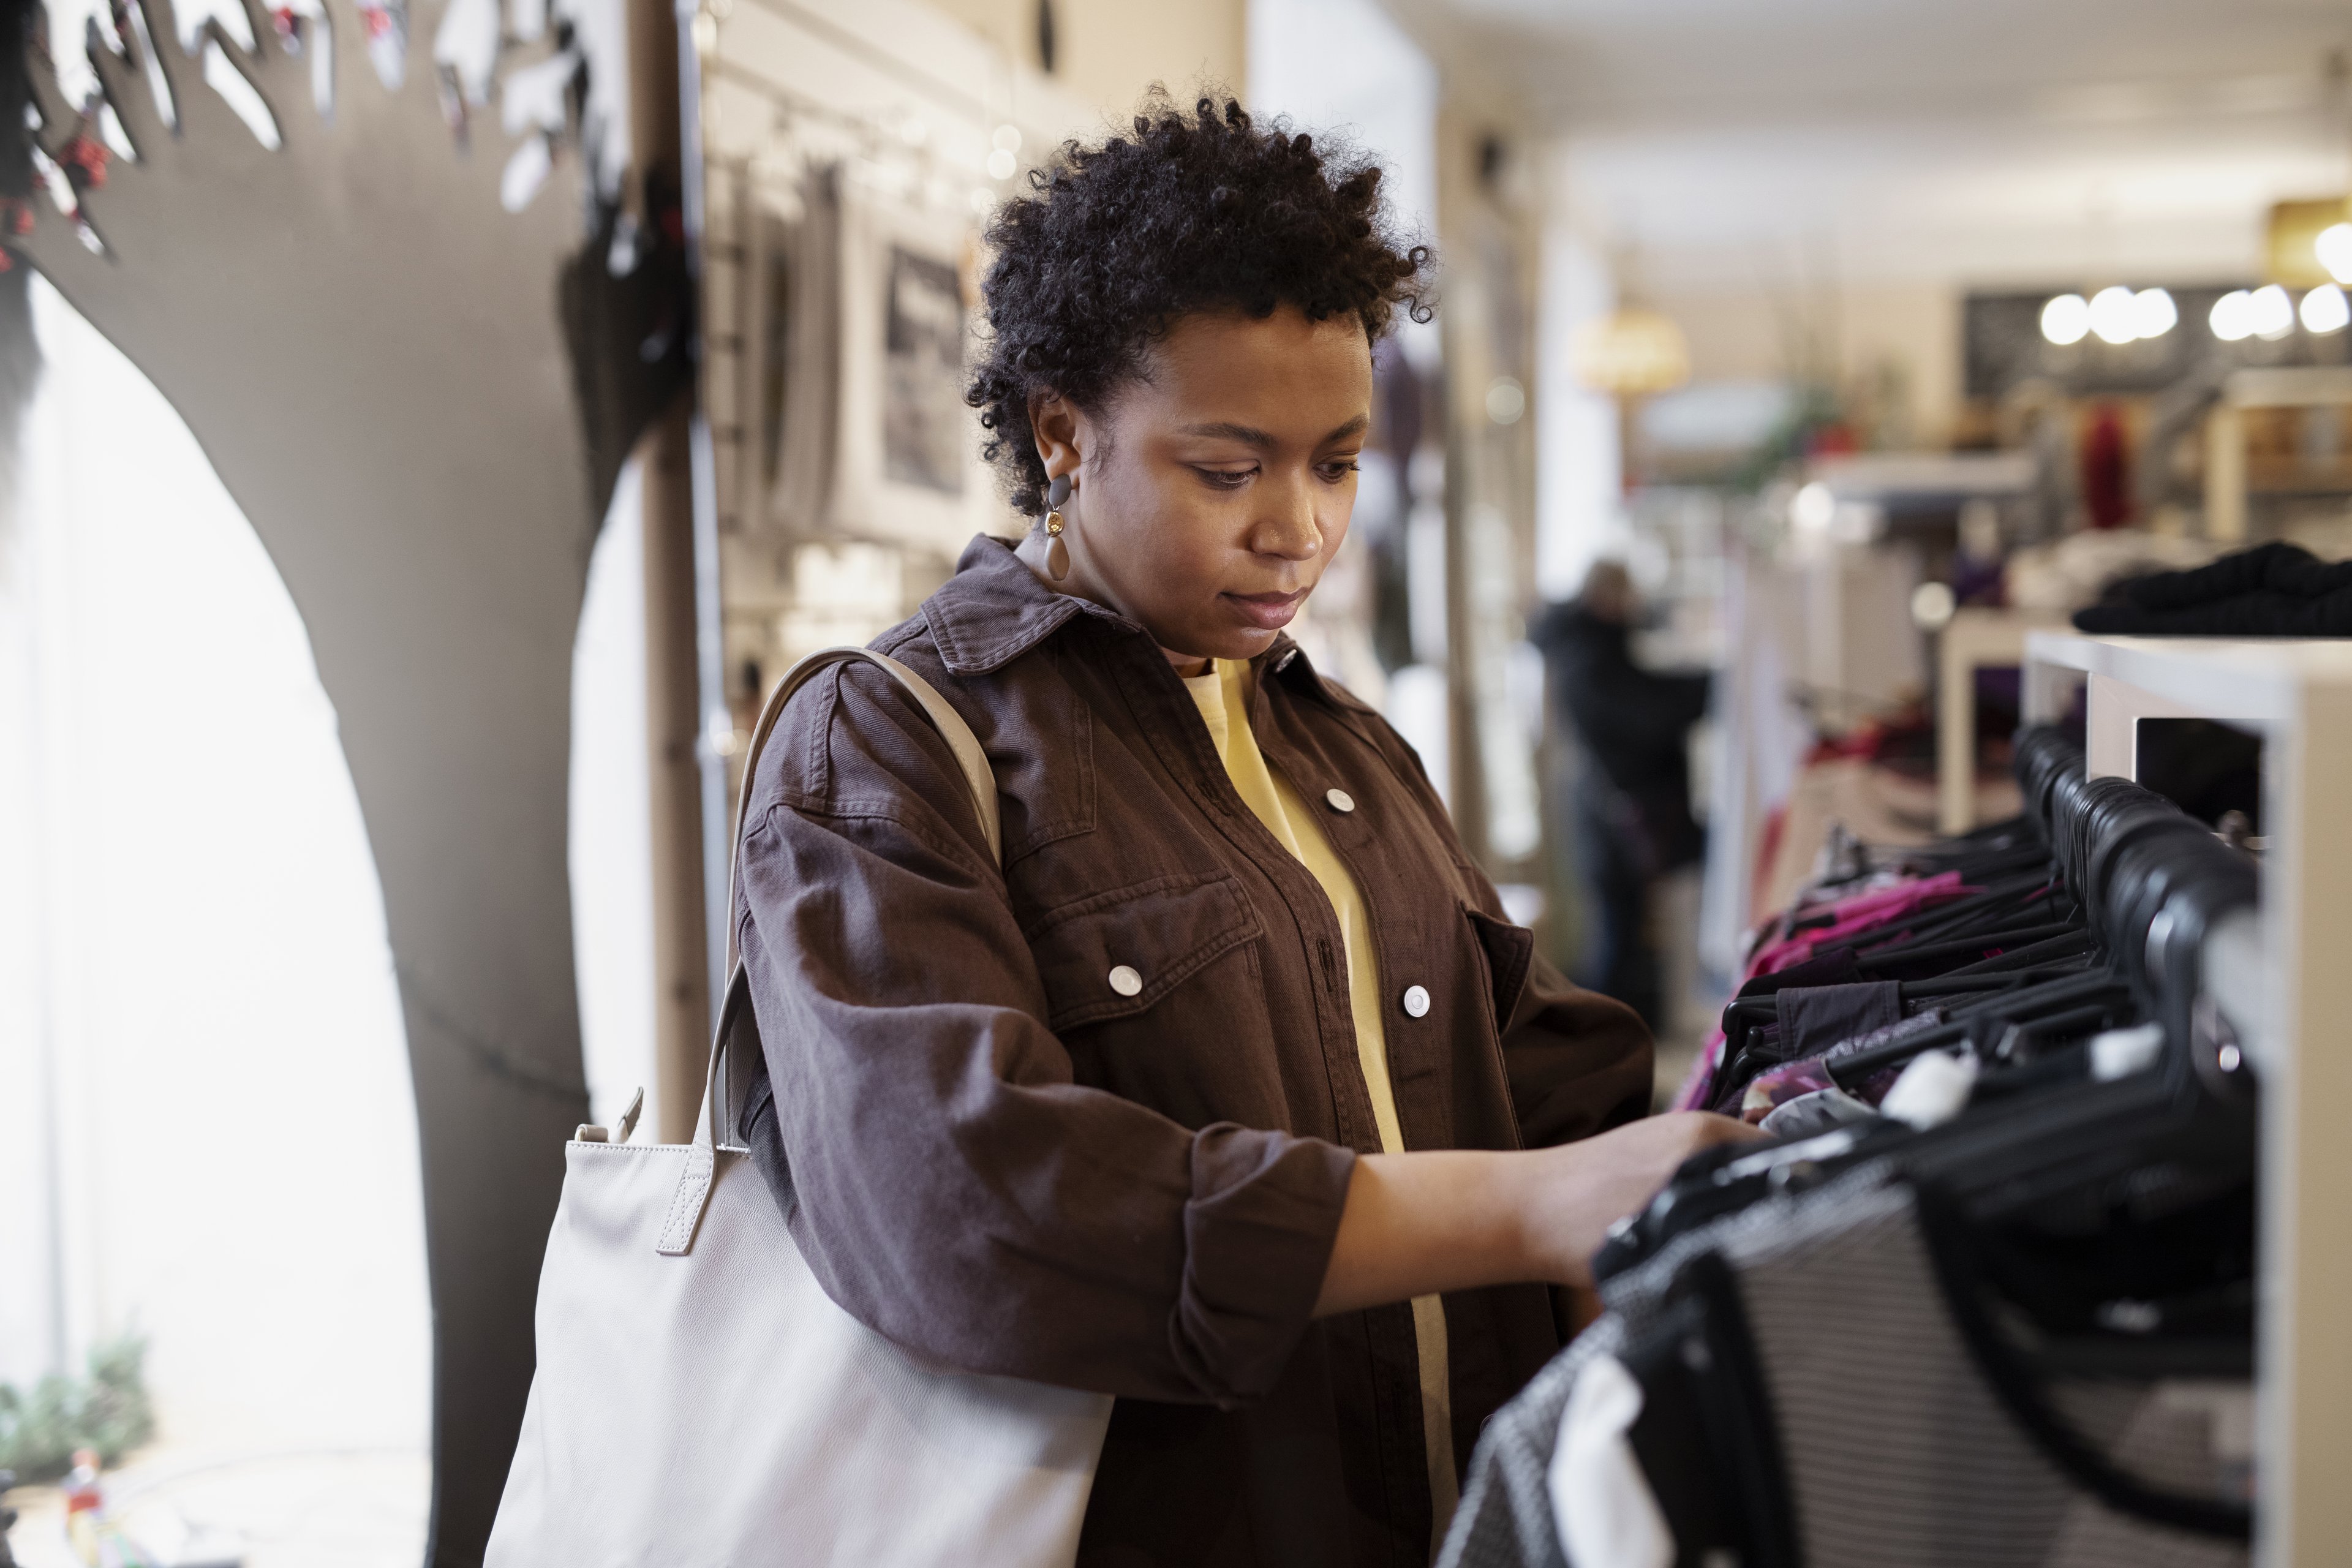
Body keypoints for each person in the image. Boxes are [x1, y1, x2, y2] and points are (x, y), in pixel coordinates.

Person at [735, 95, 1757, 1567]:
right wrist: (1514, 1208)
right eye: (1226, 469)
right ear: (1062, 432)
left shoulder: (1340, 746)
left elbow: (1553, 1088)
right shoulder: (889, 743)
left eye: (1335, 462)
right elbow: (971, 1205)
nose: (1297, 528)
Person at [1532, 562, 1711, 1033]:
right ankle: (1601, 1041)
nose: (1634, 607)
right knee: (1615, 939)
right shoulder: (1588, 653)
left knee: (1620, 935)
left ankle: (1608, 1038)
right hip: (1612, 822)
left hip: (1606, 818)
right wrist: (1706, 690)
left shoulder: (1585, 647)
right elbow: (1643, 717)